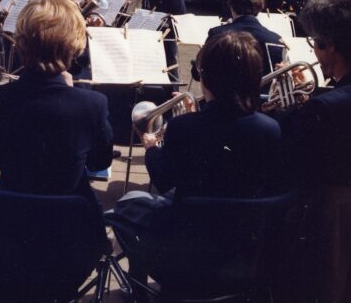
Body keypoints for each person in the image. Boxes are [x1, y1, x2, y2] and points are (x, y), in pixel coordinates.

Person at [107, 32, 282, 292]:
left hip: (182, 254)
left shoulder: (182, 126)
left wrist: (153, 149)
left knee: (128, 202)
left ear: (206, 78)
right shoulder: (270, 128)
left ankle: (137, 285)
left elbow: (164, 181)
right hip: (240, 250)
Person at [280, 0, 351, 303]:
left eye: (315, 44)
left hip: (336, 232)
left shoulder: (322, 110)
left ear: (329, 46)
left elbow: (293, 173)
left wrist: (290, 115)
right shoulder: (326, 103)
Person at [0, 0, 113, 205]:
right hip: (68, 220)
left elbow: (2, 152)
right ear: (75, 45)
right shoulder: (93, 104)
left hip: (8, 214)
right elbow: (99, 162)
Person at [203, 0, 283, 76]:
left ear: (231, 6)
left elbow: (198, 73)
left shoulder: (217, 34)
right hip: (260, 91)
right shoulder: (276, 40)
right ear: (260, 6)